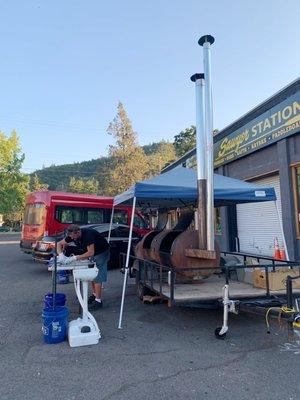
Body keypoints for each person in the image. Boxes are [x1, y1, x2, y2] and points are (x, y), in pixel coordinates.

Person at [57, 224, 110, 310]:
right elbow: (59, 244)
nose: (73, 239)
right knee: (92, 275)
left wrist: (74, 258)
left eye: (74, 237)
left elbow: (90, 252)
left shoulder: (88, 235)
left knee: (97, 276)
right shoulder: (72, 235)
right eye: (71, 238)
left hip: (101, 252)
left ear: (78, 232)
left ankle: (98, 301)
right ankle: (94, 294)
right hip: (93, 253)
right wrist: (61, 255)